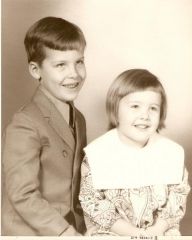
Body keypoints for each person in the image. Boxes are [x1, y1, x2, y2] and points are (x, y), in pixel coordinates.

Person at [2, 16, 87, 236]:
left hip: (70, 227)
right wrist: (65, 233)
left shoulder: (78, 118)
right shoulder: (25, 124)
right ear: (35, 70)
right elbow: (22, 194)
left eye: (79, 61)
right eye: (61, 65)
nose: (74, 74)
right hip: (31, 232)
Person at [79, 69, 190, 236]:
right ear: (115, 110)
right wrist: (132, 232)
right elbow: (92, 201)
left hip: (159, 231)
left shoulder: (170, 153)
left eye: (153, 108)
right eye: (135, 106)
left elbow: (177, 197)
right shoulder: (99, 153)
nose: (144, 115)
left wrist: (156, 230)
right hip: (112, 232)